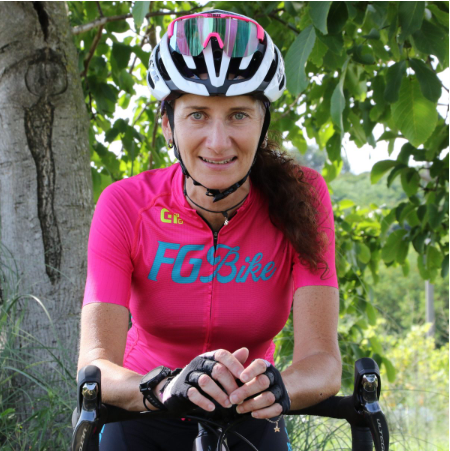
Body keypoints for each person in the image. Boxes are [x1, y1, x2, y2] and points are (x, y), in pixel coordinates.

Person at [77, 9, 341, 450]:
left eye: (238, 115)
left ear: (263, 124)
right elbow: (94, 365)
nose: (218, 142)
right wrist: (163, 387)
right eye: (197, 115)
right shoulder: (125, 204)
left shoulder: (304, 198)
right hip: (146, 409)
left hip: (254, 415)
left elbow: (323, 363)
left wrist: (278, 387)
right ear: (168, 125)